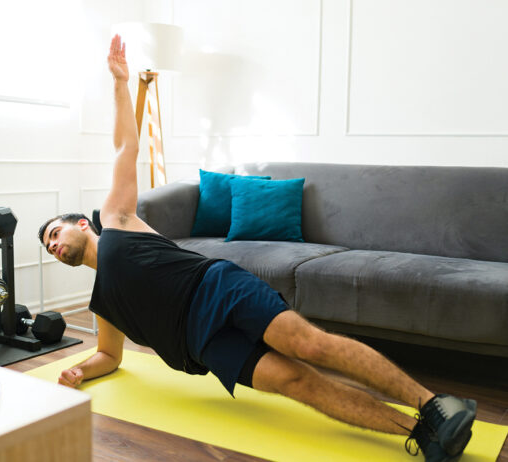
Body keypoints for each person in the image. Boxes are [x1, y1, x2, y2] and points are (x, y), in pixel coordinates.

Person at [38, 35, 476, 462]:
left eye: (55, 234)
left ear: (81, 224)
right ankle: (421, 434)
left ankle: (434, 404)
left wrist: (119, 84)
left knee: (310, 345)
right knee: (294, 381)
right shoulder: (102, 303)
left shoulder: (115, 219)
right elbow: (109, 355)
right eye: (48, 248)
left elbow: (125, 148)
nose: (55, 246)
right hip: (199, 345)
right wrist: (82, 371)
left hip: (214, 290)